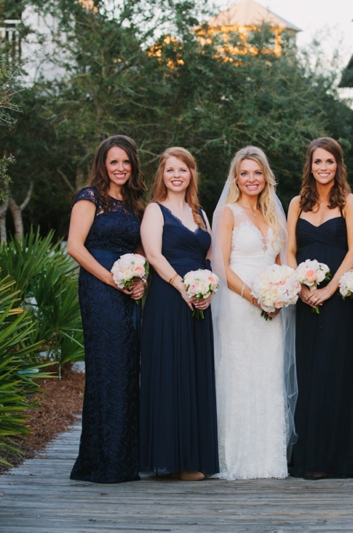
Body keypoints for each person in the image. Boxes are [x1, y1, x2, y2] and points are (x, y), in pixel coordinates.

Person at [211, 146, 295, 480]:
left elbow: (279, 261)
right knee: (239, 375)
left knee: (268, 376)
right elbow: (220, 265)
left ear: (265, 177)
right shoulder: (228, 213)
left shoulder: (274, 214)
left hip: (271, 309)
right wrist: (253, 296)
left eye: (256, 173)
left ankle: (270, 460)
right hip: (238, 304)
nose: (251, 179)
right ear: (236, 177)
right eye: (244, 173)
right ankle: (236, 459)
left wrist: (280, 293)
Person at [67, 135, 147, 483]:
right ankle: (103, 462)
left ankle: (124, 458)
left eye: (126, 162)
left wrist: (139, 278)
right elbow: (75, 247)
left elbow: (142, 248)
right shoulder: (90, 198)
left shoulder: (135, 202)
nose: (120, 168)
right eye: (114, 162)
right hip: (99, 290)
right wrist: (111, 280)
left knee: (128, 367)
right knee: (107, 367)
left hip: (127, 290)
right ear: (103, 164)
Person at [286, 137, 353, 479]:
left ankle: (335, 458)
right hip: (304, 300)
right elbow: (289, 250)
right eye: (317, 162)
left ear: (338, 165)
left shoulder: (349, 201)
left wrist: (330, 289)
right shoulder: (296, 204)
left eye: (329, 162)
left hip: (337, 300)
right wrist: (301, 286)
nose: (323, 168)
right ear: (310, 165)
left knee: (335, 372)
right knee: (308, 372)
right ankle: (307, 457)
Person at [139, 147, 219, 481]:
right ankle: (167, 459)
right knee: (170, 372)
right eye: (170, 170)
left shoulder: (200, 212)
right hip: (167, 299)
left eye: (183, 170)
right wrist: (182, 286)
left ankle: (192, 458)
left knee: (195, 373)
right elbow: (154, 256)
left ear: (191, 174)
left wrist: (208, 291)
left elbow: (210, 256)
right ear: (162, 175)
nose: (176, 175)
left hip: (199, 301)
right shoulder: (154, 211)